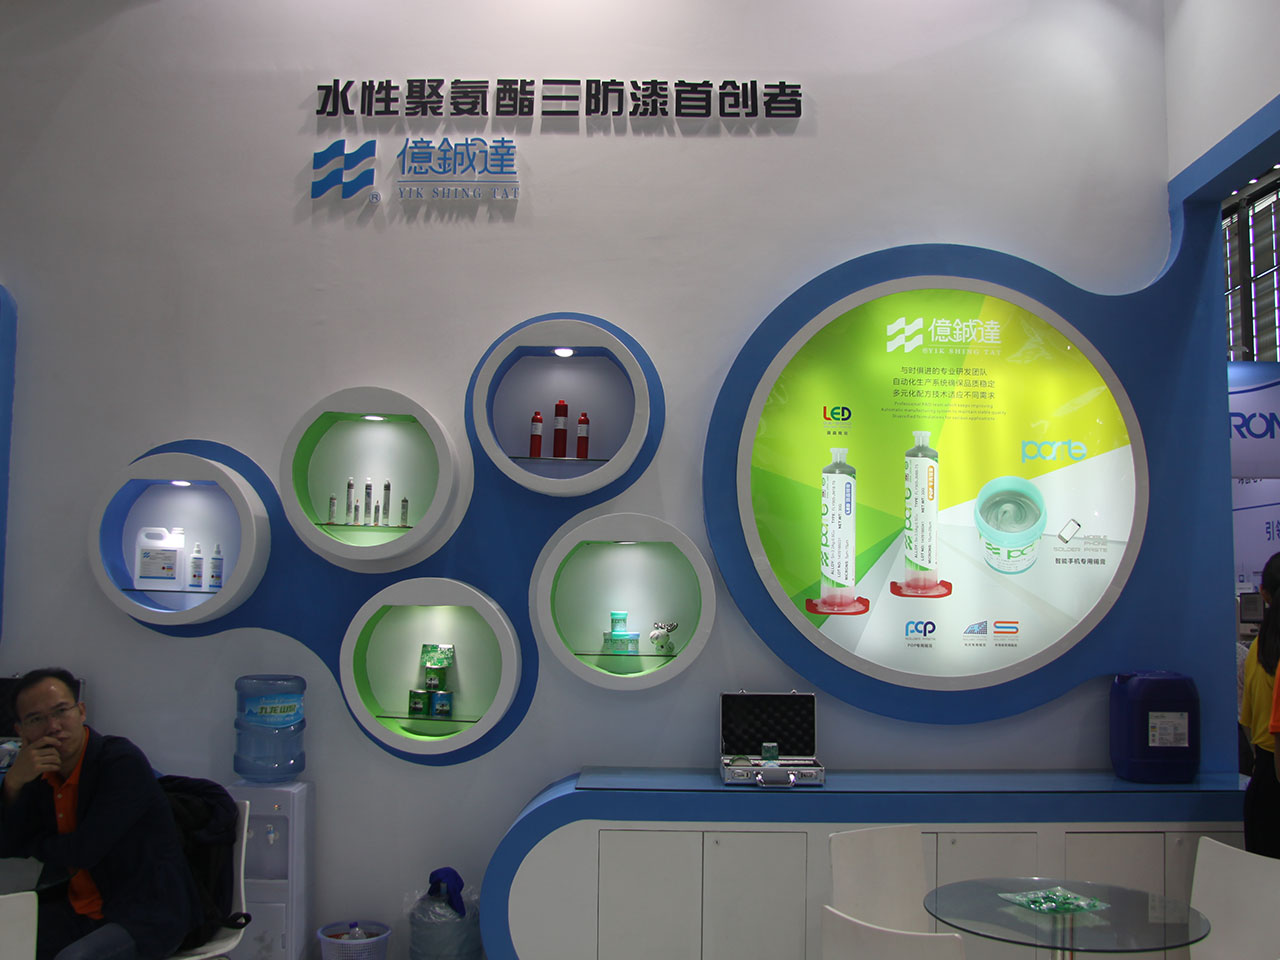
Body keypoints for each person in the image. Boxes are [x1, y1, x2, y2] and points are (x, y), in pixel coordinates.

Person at [0, 667, 203, 960]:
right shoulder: (39, 771)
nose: (53, 726)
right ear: (21, 731)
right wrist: (13, 782)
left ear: (81, 712)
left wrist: (33, 844)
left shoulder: (120, 762)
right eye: (36, 719)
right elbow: (7, 845)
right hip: (77, 909)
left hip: (146, 912)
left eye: (61, 711)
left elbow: (83, 851)